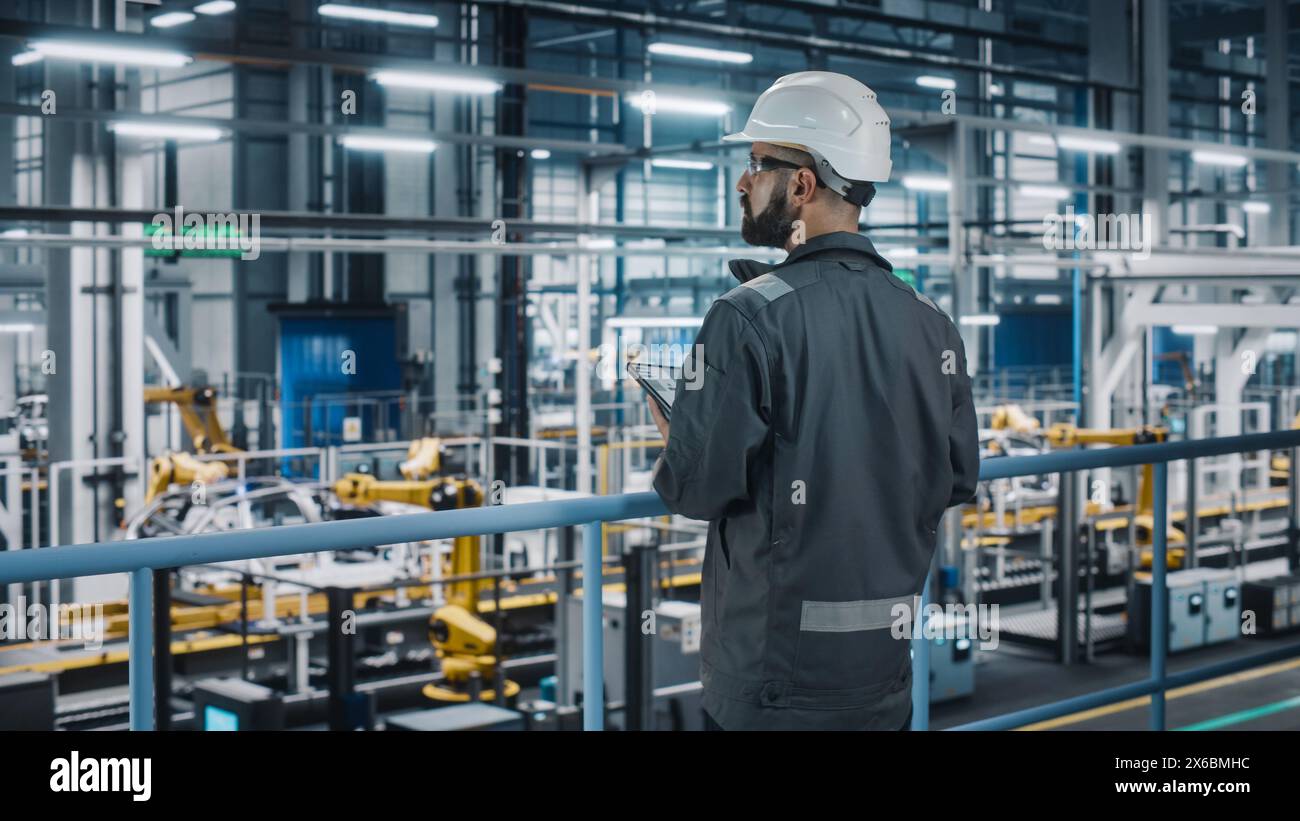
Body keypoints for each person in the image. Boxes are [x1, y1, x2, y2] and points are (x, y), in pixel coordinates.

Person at [646, 71, 980, 731]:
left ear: (802, 185)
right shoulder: (930, 320)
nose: (743, 182)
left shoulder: (746, 317)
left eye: (757, 164)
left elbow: (694, 489)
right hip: (883, 683)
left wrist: (681, 432)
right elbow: (958, 475)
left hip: (770, 691)